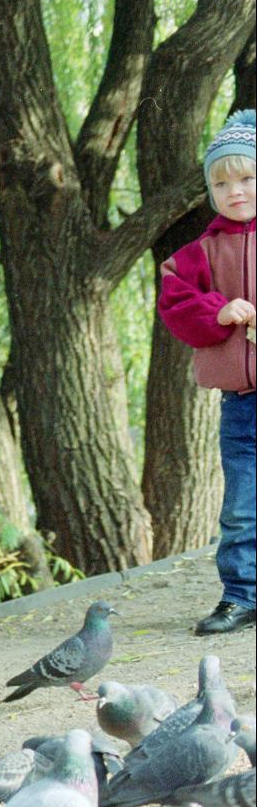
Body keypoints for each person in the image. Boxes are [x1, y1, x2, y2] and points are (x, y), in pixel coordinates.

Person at [158, 109, 256, 636]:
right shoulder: (200, 253)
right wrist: (217, 311)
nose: (234, 191)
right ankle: (242, 596)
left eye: (246, 178)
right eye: (221, 183)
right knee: (242, 506)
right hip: (241, 405)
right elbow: (175, 303)